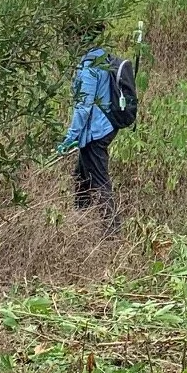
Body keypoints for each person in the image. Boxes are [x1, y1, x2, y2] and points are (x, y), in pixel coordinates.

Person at [59, 27, 124, 234]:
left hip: (96, 131)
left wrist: (71, 137)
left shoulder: (88, 66)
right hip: (106, 127)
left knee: (99, 179)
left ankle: (113, 233)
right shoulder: (102, 57)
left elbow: (83, 106)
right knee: (81, 175)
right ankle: (79, 219)